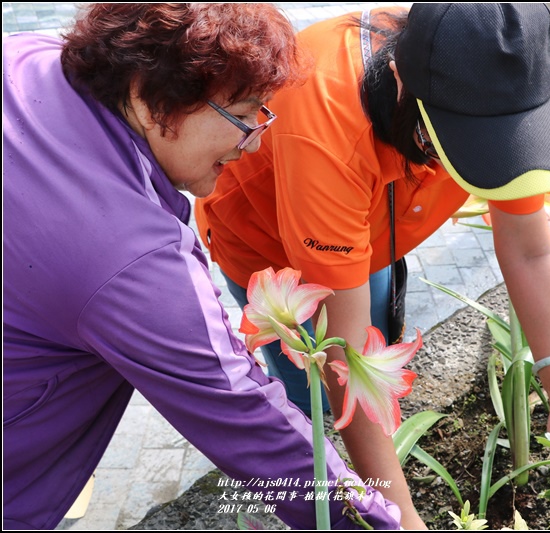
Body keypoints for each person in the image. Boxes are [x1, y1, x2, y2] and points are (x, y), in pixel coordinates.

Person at [2, 4, 401, 530]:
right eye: (244, 112)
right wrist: (382, 522)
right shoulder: (132, 263)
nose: (255, 140)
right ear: (148, 99)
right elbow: (247, 418)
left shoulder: (25, 57)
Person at [196, 3, 550, 530]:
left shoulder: (497, 82)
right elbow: (347, 360)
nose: (493, 159)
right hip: (274, 264)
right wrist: (401, 518)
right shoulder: (324, 119)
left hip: (368, 232)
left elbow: (530, 248)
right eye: (469, 143)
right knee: (306, 389)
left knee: (370, 341)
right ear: (402, 81)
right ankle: (322, 488)